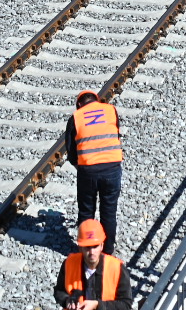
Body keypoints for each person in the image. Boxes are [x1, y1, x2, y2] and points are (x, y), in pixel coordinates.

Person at [67, 90, 124, 252]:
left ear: (79, 104)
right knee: (109, 211)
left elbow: (71, 152)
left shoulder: (76, 117)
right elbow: (116, 134)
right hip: (112, 169)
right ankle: (107, 250)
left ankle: (87, 248)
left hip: (88, 171)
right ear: (97, 100)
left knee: (86, 211)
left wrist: (82, 166)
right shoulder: (111, 110)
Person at [54, 219, 130, 310]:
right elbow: (59, 292)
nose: (91, 252)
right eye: (87, 247)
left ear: (102, 245)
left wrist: (98, 305)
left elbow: (125, 304)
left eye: (95, 246)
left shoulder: (117, 269)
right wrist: (67, 301)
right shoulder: (68, 264)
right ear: (80, 248)